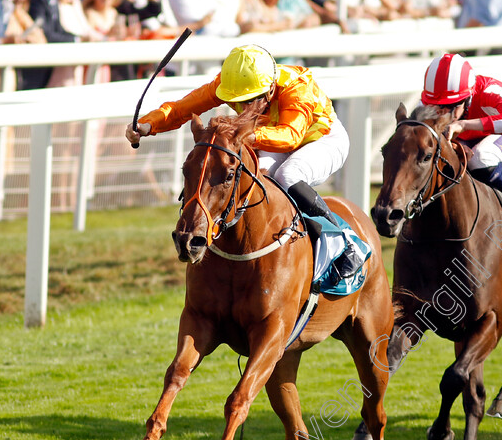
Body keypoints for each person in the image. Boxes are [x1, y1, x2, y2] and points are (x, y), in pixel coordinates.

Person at [125, 44, 364, 278]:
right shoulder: (231, 82)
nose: (243, 107)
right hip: (271, 137)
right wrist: (148, 125)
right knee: (256, 176)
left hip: (321, 139)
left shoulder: (295, 87)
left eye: (250, 100)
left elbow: (291, 136)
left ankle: (344, 241)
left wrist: (245, 134)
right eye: (238, 100)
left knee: (287, 176)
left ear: (270, 89)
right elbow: (180, 109)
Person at [420, 52, 502, 256]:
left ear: (468, 97)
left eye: (448, 106)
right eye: (437, 106)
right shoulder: (434, 99)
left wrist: (463, 124)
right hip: (471, 137)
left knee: (481, 157)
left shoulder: (490, 91)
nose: (441, 113)